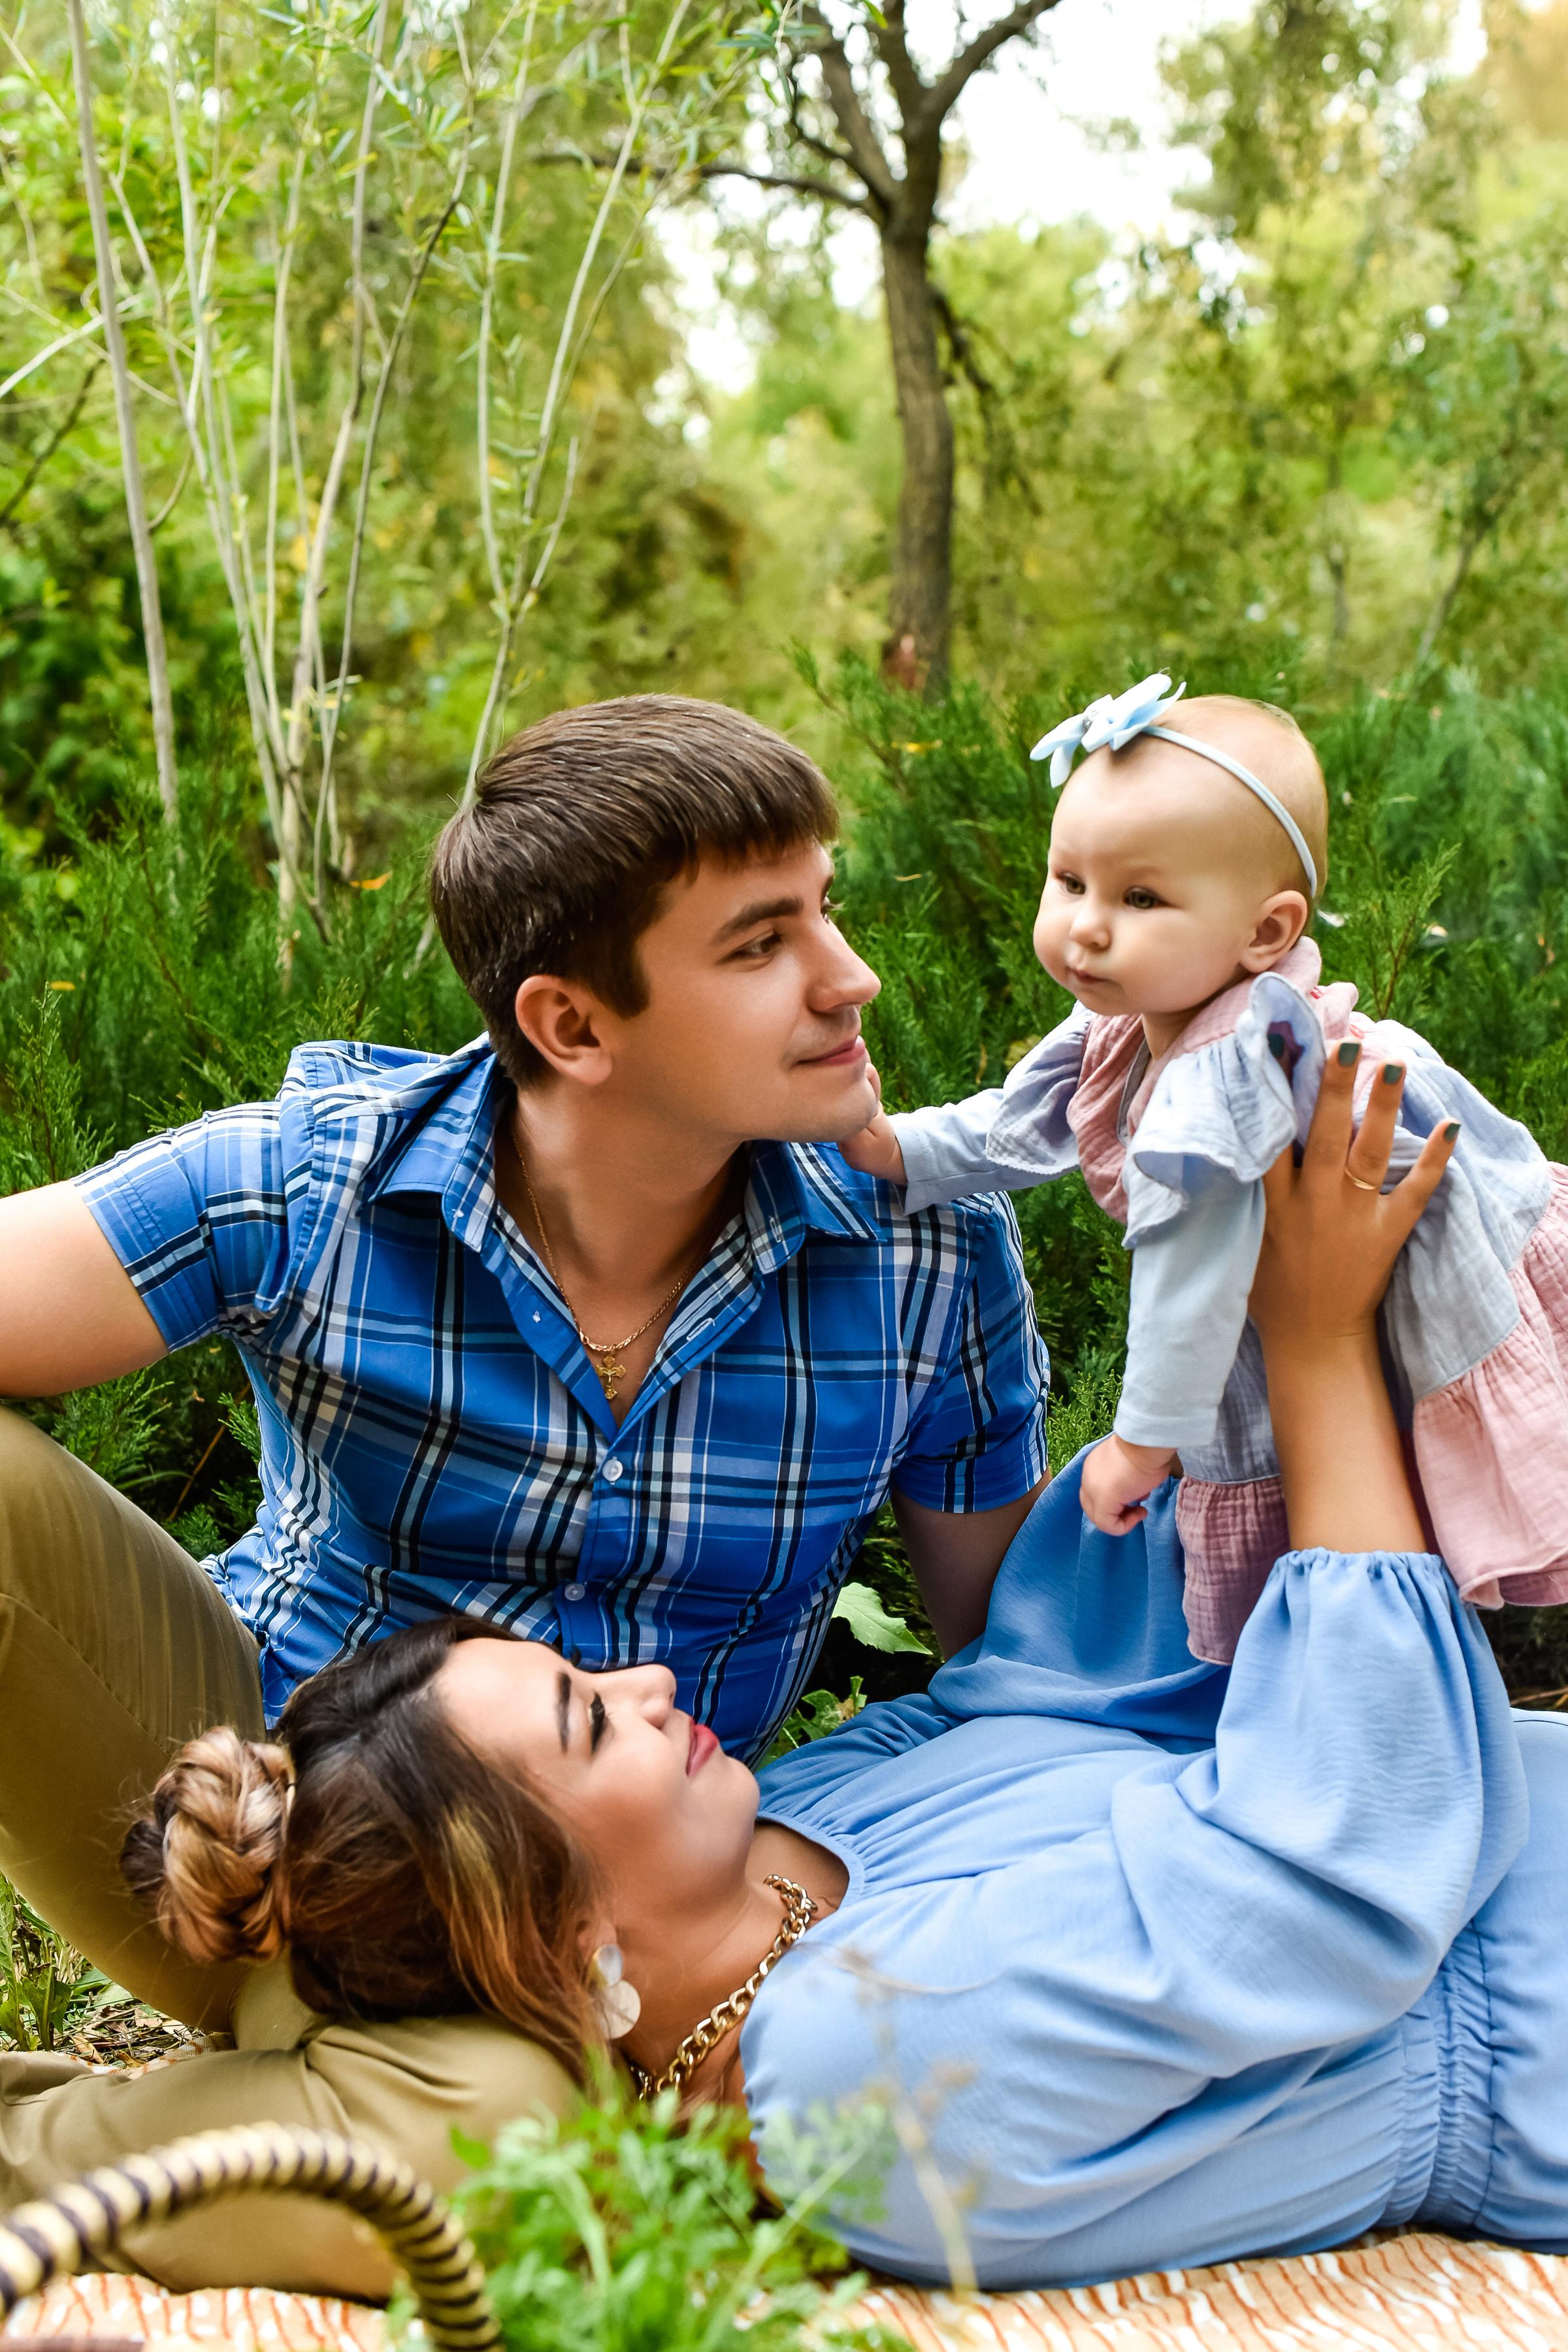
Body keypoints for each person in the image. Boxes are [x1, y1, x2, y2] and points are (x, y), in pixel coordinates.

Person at [13, 1047, 1565, 2298]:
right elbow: (1342, 1867)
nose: (647, 1685)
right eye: (587, 1721)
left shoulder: (795, 1835)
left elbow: (1047, 1675)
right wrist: (1312, 1351)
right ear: (556, 1932)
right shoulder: (847, 2070)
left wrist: (1214, 1287)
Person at [0, 696, 1045, 2248]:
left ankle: (110, 2129)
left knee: (507, 2156)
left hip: (580, 1934)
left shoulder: (929, 1250)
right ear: (571, 1025)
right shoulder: (317, 1185)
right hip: (268, 1813)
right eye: (763, 944)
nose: (851, 977)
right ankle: (297, 2061)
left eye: (826, 908)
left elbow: (1012, 1667)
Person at [841, 671, 1568, 1662]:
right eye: (1069, 882)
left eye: (1141, 897)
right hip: (1325, 1275)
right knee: (1357, 1474)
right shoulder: (1147, 1004)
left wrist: (1144, 1443)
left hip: (1401, 1267)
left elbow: (1194, 1271)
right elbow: (1029, 1118)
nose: (1088, 924)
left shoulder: (1224, 1064)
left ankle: (1379, 1674)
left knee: (1382, 1474)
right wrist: (905, 1149)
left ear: (1266, 934)